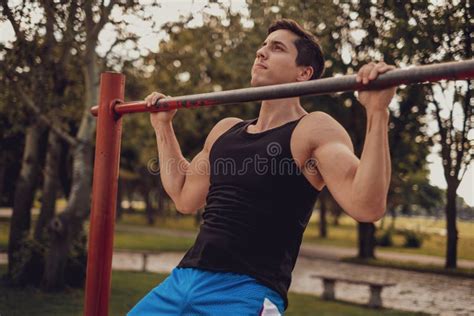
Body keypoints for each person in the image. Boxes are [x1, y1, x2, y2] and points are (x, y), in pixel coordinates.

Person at [128, 18, 395, 315]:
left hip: (246, 292)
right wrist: (163, 126)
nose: (261, 52)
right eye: (263, 46)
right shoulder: (225, 131)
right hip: (182, 281)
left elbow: (367, 206)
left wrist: (377, 112)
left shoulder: (312, 129)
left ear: (303, 73)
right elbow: (182, 195)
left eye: (277, 48)